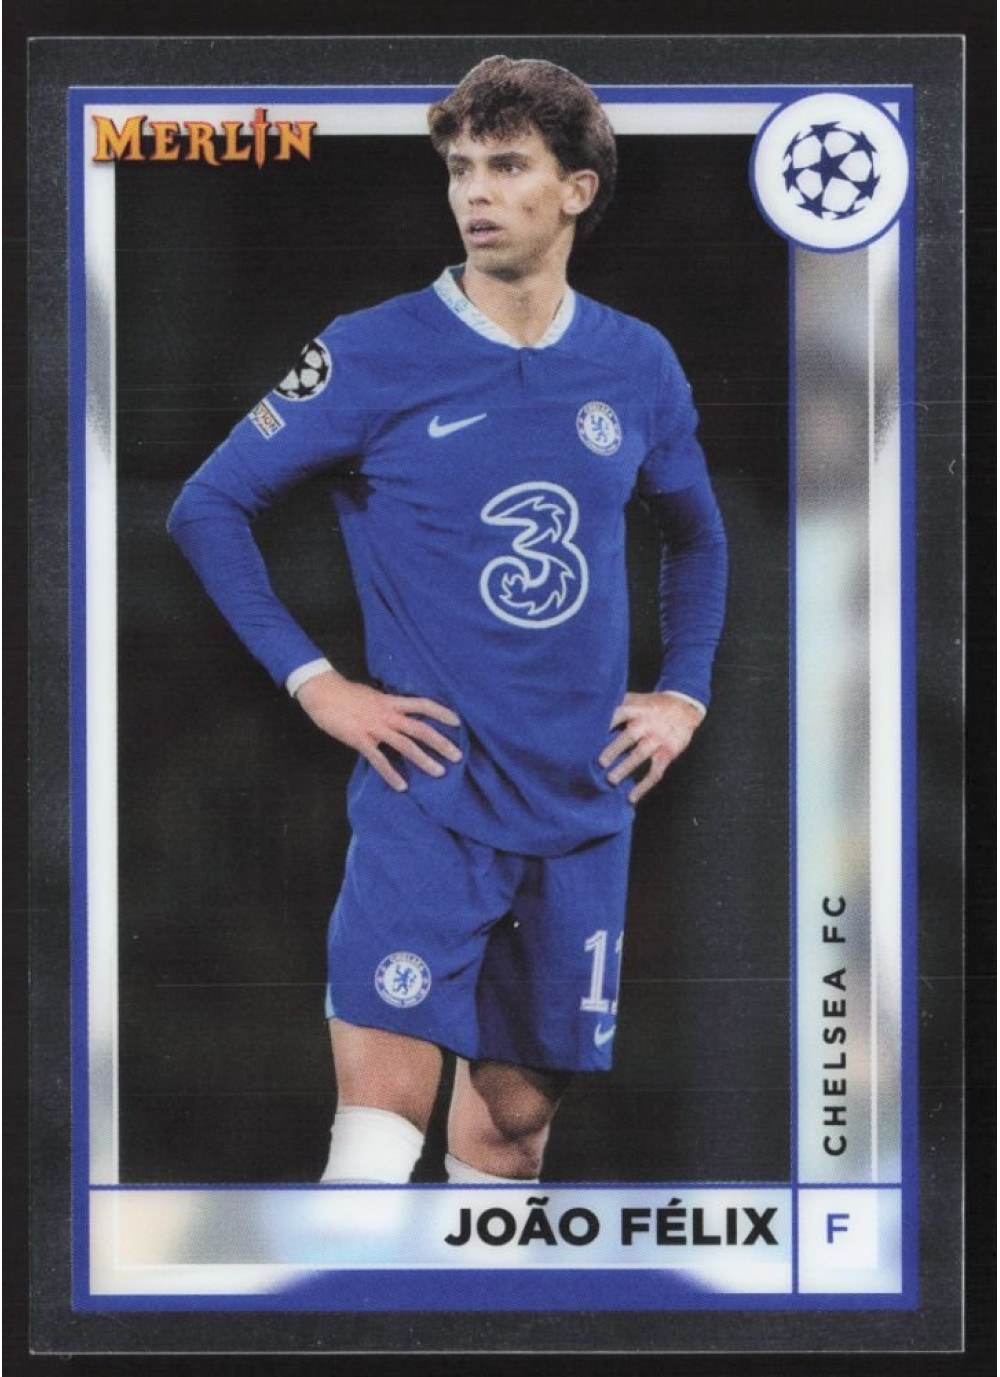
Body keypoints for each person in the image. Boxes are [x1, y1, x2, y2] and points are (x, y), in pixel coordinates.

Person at [168, 55, 728, 1187]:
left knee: (513, 1129)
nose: (475, 190)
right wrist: (316, 682)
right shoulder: (372, 349)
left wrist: (684, 689)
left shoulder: (636, 362)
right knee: (379, 1131)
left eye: (508, 165)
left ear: (575, 191)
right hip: (428, 789)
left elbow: (698, 536)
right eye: (461, 167)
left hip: (581, 802)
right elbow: (207, 506)